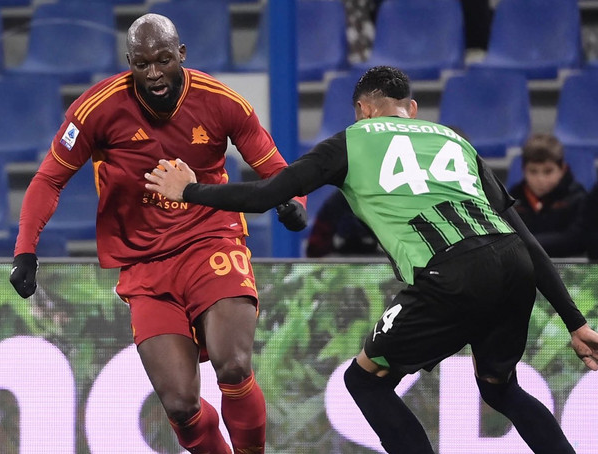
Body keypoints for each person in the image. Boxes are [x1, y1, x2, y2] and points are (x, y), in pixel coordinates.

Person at [145, 66, 598, 453]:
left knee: (365, 382)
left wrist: (189, 190)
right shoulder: (454, 140)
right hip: (513, 262)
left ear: (362, 110)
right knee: (501, 388)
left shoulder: (350, 141)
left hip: (449, 271)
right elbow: (526, 239)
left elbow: (265, 195)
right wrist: (575, 323)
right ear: (411, 108)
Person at [9, 14, 307, 454]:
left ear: (181, 54)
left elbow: (276, 168)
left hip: (211, 241)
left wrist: (293, 202)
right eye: (142, 64)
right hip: (145, 264)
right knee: (181, 406)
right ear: (129, 61)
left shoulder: (222, 102)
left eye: (163, 60)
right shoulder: (95, 110)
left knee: (233, 366)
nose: (153, 73)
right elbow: (49, 179)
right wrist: (26, 250)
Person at [509, 133, 587, 257]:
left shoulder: (577, 197)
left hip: (569, 265)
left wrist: (527, 243)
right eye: (533, 171)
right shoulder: (512, 199)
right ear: (523, 170)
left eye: (548, 171)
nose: (540, 179)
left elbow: (577, 239)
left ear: (562, 169)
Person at [306, 188, 382, 257]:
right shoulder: (334, 204)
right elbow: (314, 249)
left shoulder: (380, 200)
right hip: (339, 260)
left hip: (375, 258)